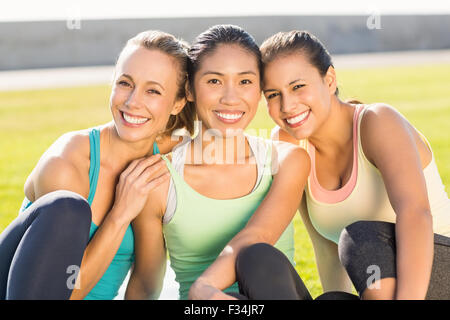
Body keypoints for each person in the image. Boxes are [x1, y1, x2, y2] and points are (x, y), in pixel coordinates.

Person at [238, 30, 450, 300]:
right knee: (268, 265)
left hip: (436, 270)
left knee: (360, 236)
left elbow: (415, 213)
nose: (288, 105)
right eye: (272, 95)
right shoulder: (287, 146)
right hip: (381, 284)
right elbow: (325, 247)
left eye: (298, 86)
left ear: (329, 79)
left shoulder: (377, 122)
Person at [0, 30, 195, 300]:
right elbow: (63, 292)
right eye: (125, 83)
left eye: (152, 90)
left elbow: (147, 284)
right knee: (67, 207)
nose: (132, 101)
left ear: (178, 103)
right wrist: (121, 213)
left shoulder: (166, 159)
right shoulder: (67, 163)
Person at [125, 25, 310, 300]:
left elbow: (257, 237)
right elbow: (145, 283)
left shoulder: (286, 161)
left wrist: (205, 288)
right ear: (189, 89)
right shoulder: (158, 180)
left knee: (258, 258)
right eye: (214, 81)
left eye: (245, 82)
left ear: (259, 88)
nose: (230, 98)